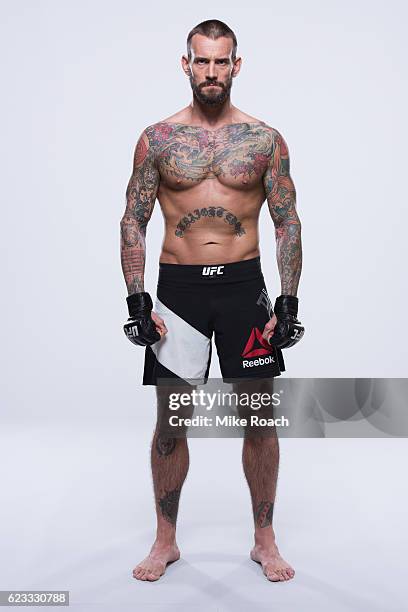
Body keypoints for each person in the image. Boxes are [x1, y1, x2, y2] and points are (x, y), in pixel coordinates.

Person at [120, 19, 304, 582]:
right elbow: (134, 219)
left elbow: (286, 221)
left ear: (236, 65)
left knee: (258, 417)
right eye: (202, 61)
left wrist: (288, 302)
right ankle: (165, 541)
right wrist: (136, 300)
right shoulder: (158, 139)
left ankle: (265, 541)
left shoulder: (264, 139)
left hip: (244, 289)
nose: (211, 72)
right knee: (172, 421)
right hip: (178, 294)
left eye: (221, 62)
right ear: (186, 64)